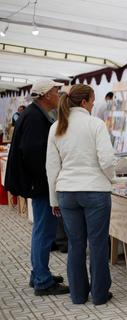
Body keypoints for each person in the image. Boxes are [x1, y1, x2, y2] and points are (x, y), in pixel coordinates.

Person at [46, 84, 116, 305]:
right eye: (93, 100)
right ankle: (99, 295)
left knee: (76, 244)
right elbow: (106, 160)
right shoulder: (96, 125)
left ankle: (78, 295)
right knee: (97, 244)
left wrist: (53, 199)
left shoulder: (57, 126)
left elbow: (51, 167)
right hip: (95, 191)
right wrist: (111, 178)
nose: (95, 104)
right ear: (84, 102)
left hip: (67, 191)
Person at [4, 79, 69, 296]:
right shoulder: (34, 117)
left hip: (37, 182)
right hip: (40, 183)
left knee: (41, 230)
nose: (58, 94)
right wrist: (48, 178)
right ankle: (42, 280)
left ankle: (39, 273)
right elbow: (33, 153)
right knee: (44, 231)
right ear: (45, 95)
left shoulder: (35, 114)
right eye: (55, 91)